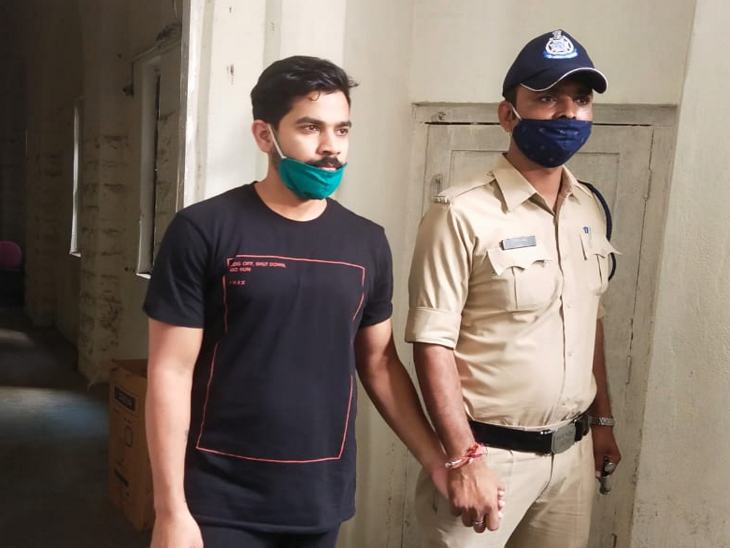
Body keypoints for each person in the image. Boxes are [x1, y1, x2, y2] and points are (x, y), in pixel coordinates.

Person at [143, 55, 448, 548]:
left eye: (342, 130)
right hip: (219, 501)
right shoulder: (204, 230)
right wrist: (170, 511)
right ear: (265, 135)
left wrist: (437, 460)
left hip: (318, 500)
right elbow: (170, 372)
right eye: (310, 128)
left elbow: (379, 363)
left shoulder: (366, 242)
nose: (331, 147)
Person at [406, 29, 622, 548]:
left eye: (581, 99)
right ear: (508, 114)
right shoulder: (461, 213)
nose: (567, 112)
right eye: (547, 98)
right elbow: (433, 343)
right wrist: (463, 458)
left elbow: (589, 321)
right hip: (488, 456)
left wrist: (603, 421)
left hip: (572, 458)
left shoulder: (588, 208)